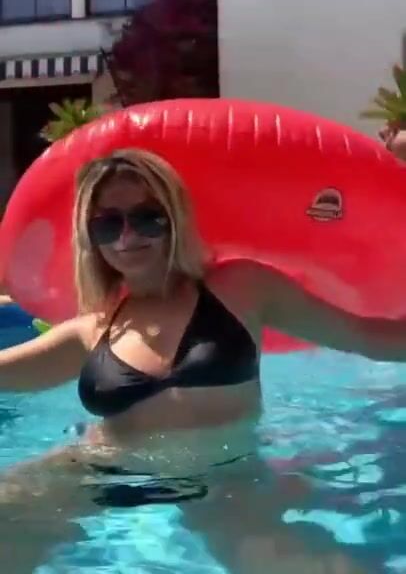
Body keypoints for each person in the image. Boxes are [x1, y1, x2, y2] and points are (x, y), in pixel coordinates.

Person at [0, 147, 400, 574]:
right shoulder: (92, 330)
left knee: (296, 565)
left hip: (223, 479)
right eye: (108, 224)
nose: (127, 237)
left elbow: (363, 335)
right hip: (108, 468)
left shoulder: (241, 288)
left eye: (147, 217)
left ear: (174, 217)